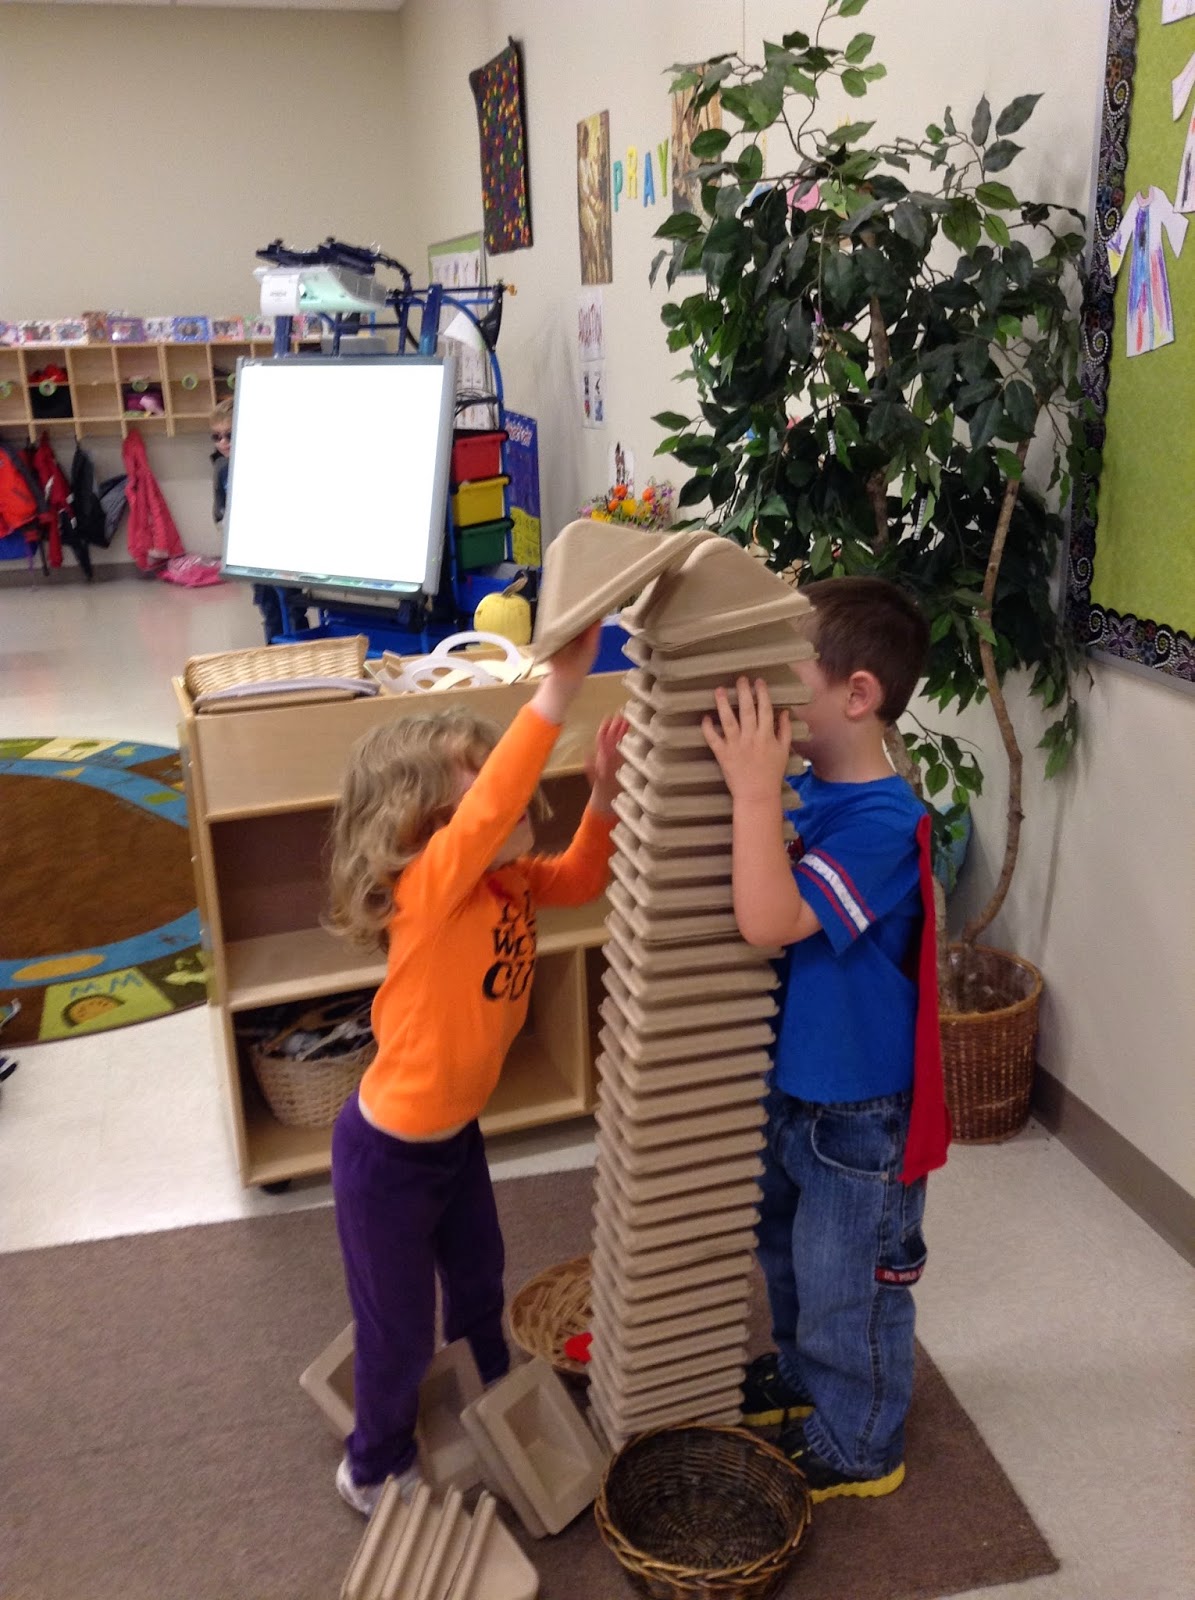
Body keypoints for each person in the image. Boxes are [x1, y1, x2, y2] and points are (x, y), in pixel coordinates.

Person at [326, 623, 626, 1515]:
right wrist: (557, 690)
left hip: (453, 1139)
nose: (513, 795)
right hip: (386, 1157)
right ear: (424, 828)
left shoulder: (508, 881)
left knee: (479, 1277)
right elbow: (491, 809)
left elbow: (582, 878)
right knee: (396, 1329)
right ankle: (371, 1465)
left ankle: (493, 1390)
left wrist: (602, 797)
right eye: (484, 782)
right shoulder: (431, 890)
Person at [702, 577, 951, 1503]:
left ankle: (859, 1443)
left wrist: (753, 792)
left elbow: (770, 921)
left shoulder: (885, 822)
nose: (769, 692)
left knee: (852, 1281)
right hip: (798, 1086)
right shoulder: (804, 792)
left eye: (787, 673)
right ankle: (808, 1376)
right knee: (791, 1253)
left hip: (862, 1111)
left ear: (856, 695)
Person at [209, 397, 309, 642]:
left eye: (229, 435)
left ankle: (300, 652)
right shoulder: (222, 469)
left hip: (282, 551)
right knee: (269, 607)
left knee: (292, 607)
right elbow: (219, 511)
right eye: (217, 437)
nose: (223, 443)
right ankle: (273, 653)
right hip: (252, 554)